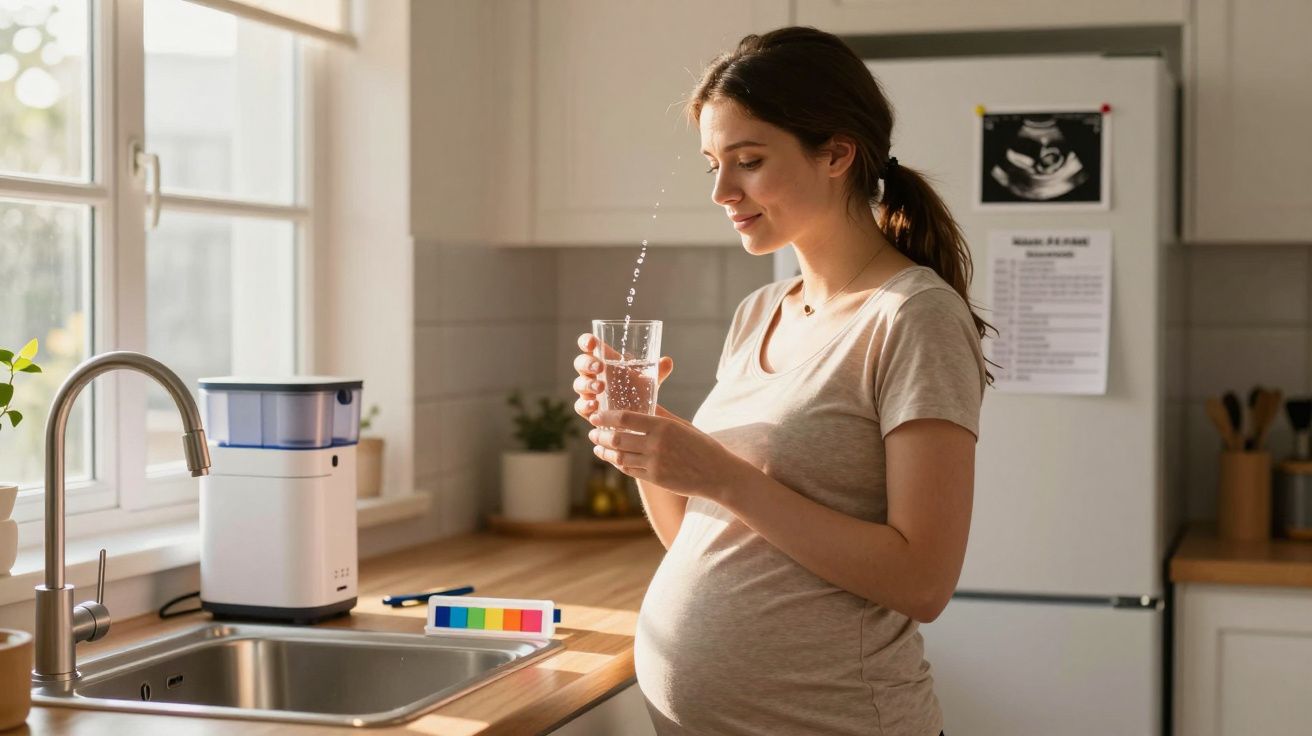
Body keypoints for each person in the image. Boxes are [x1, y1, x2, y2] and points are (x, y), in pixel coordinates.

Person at [571, 26, 995, 736]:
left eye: (749, 161)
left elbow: (923, 581)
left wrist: (723, 475)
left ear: (836, 153)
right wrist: (647, 442)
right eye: (712, 163)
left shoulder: (914, 317)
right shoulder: (759, 312)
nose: (722, 190)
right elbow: (699, 541)